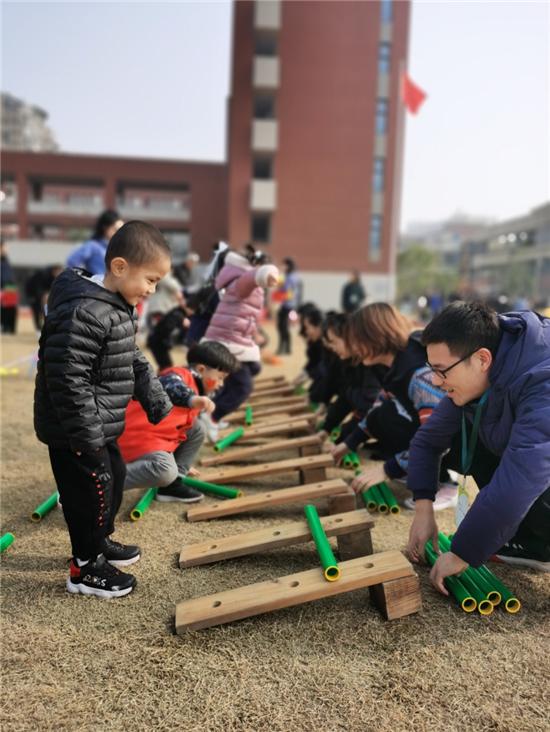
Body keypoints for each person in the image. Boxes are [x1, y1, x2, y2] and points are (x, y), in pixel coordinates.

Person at [34, 221, 173, 599]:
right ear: (120, 267)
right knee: (88, 494)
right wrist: (85, 435)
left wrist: (156, 398)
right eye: (150, 279)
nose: (152, 290)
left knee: (113, 477)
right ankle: (84, 567)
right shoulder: (84, 310)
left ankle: (100, 541)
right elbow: (66, 378)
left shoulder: (116, 307)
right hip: (76, 430)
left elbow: (132, 358)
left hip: (101, 423)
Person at [406, 302, 550, 592]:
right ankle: (533, 545)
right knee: (469, 441)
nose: (435, 381)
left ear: (482, 359)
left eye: (442, 370)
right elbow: (427, 441)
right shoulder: (482, 370)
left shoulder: (542, 380)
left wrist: (463, 551)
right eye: (431, 369)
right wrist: (423, 509)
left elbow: (521, 478)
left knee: (524, 471)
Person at [346, 303, 457, 509]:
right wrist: (349, 442)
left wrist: (387, 469)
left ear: (375, 336)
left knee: (393, 418)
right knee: (384, 415)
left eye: (356, 341)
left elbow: (437, 437)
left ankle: (443, 484)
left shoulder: (418, 374)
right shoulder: (395, 365)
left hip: (454, 440)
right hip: (437, 433)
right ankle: (416, 469)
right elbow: (377, 407)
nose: (353, 349)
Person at [119, 341, 238, 502]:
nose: (221, 384)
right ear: (201, 369)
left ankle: (171, 486)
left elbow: (177, 430)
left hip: (153, 439)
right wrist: (191, 399)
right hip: (134, 440)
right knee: (164, 470)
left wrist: (181, 463)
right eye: (220, 377)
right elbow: (170, 385)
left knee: (197, 429)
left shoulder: (196, 387)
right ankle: (104, 482)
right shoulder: (177, 375)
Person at [199, 247, 279, 442]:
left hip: (232, 339)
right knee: (243, 387)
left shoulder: (242, 282)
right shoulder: (244, 280)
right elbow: (254, 277)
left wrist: (253, 334)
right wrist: (267, 273)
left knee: (254, 367)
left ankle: (213, 407)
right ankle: (212, 417)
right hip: (227, 342)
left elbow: (243, 315)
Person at [319, 311, 385, 456]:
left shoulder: (371, 361)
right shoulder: (350, 361)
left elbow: (369, 405)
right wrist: (327, 429)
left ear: (348, 336)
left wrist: (346, 441)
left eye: (333, 342)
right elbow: (346, 399)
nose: (332, 348)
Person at [66, 209, 123, 275]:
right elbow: (72, 261)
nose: (118, 233)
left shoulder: (117, 248)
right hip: (96, 283)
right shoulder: (92, 246)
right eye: (115, 229)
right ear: (105, 227)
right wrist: (83, 279)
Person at [274, 257, 302, 355]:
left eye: (284, 265)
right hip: (286, 305)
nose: (282, 266)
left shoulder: (291, 277)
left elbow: (288, 292)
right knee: (283, 326)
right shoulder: (288, 276)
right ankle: (285, 348)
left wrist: (277, 296)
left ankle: (284, 348)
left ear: (288, 266)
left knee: (283, 326)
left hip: (289, 305)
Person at [25, 264, 63, 332]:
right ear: (54, 271)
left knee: (45, 310)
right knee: (36, 310)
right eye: (58, 272)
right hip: (33, 293)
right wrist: (44, 295)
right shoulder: (43, 275)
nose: (59, 274)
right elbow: (38, 288)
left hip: (43, 296)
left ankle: (46, 325)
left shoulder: (56, 278)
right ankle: (38, 328)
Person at [0, 239, 18, 333]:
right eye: (4, 247)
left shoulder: (5, 260)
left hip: (9, 287)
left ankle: (9, 328)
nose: (6, 249)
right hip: (3, 286)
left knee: (10, 308)